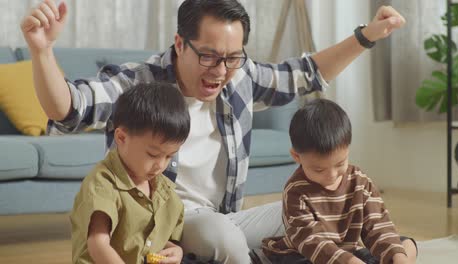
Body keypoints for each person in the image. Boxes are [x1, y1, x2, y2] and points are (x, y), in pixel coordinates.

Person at [21, 0, 406, 263]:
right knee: (226, 240)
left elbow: (305, 73)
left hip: (227, 216)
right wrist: (42, 51)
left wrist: (367, 35)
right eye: (208, 56)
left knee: (320, 205)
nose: (220, 70)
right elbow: (69, 108)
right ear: (179, 43)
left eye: (232, 57)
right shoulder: (140, 84)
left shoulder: (241, 76)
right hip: (170, 220)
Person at [261, 99, 418, 264]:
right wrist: (349, 261)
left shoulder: (360, 181)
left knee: (405, 246)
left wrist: (397, 256)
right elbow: (310, 241)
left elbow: (377, 225)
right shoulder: (295, 191)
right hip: (305, 254)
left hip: (348, 252)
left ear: (348, 149)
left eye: (340, 164)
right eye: (319, 170)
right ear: (297, 157)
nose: (332, 175)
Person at [70, 82, 190, 264]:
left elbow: (157, 240)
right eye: (153, 154)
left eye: (169, 156)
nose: (160, 165)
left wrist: (175, 251)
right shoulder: (102, 183)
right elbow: (97, 244)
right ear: (121, 138)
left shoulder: (164, 192)